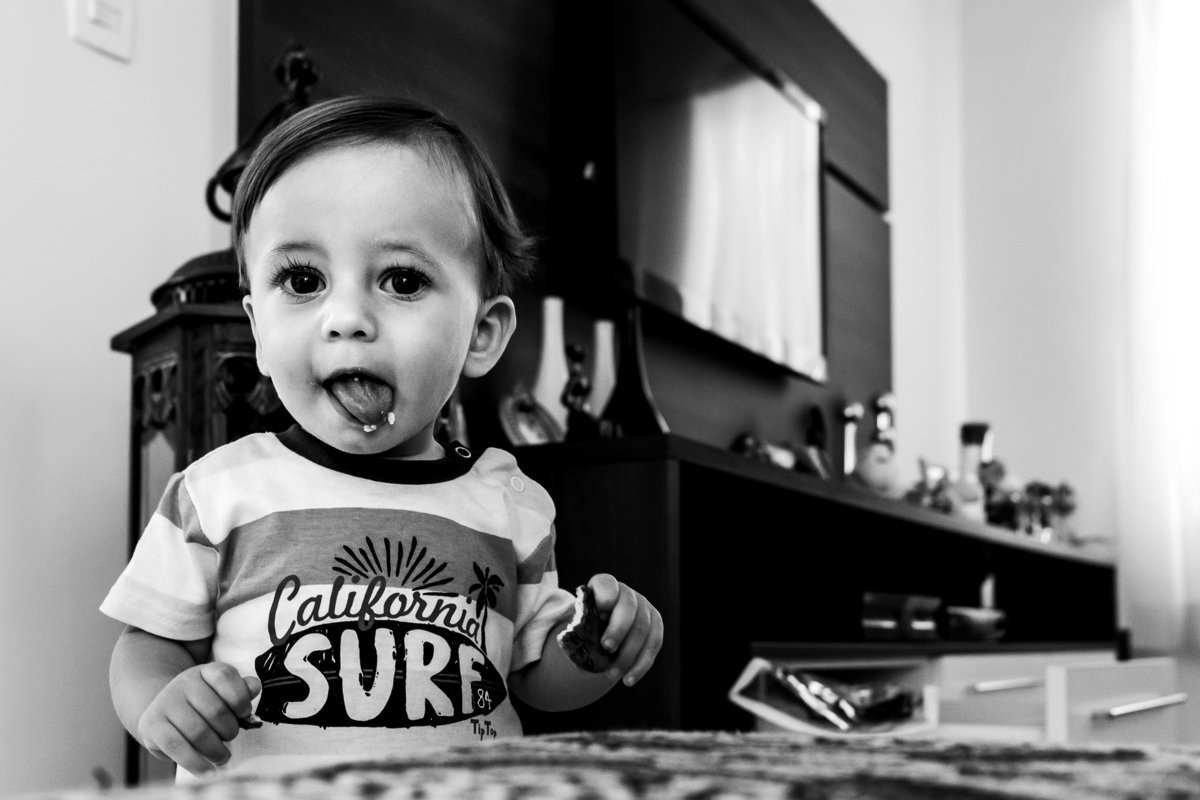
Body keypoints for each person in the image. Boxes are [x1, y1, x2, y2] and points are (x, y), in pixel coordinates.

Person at [102, 96, 664, 780]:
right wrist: (164, 699)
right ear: (258, 330)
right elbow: (147, 644)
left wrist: (592, 649)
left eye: (402, 280)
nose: (346, 318)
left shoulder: (509, 503)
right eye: (303, 280)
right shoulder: (216, 493)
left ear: (481, 334)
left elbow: (535, 677)